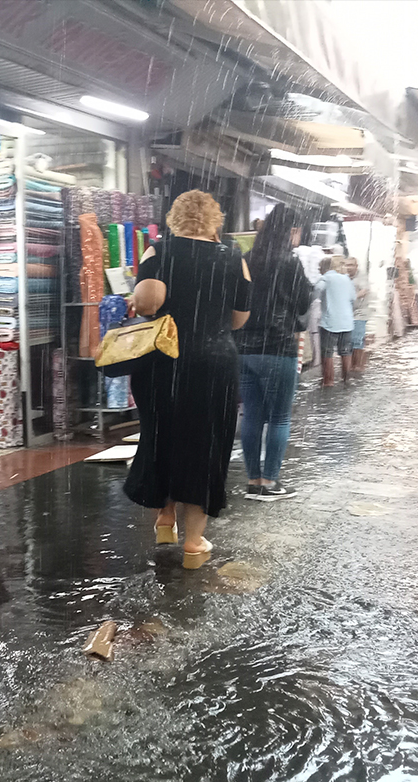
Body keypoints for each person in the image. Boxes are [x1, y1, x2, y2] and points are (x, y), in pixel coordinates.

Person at [124, 190, 251, 569]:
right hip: (214, 363)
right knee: (206, 445)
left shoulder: (158, 252)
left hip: (164, 360)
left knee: (163, 433)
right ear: (214, 220)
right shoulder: (233, 258)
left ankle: (165, 517)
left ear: (174, 218)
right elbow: (239, 319)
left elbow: (148, 303)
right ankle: (194, 543)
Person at [235, 203, 310, 502]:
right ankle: (271, 482)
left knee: (252, 415)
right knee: (279, 418)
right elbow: (303, 305)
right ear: (292, 230)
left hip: (243, 348)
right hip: (278, 347)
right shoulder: (291, 263)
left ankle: (253, 481)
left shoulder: (247, 258)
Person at [315, 255, 357, 386]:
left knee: (327, 352)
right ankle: (347, 378)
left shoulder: (325, 278)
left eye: (319, 267)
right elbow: (353, 297)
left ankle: (328, 380)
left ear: (324, 267)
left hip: (330, 322)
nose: (318, 269)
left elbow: (315, 291)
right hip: (347, 321)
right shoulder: (346, 279)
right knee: (345, 351)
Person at [348, 257, 370, 372]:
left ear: (356, 266)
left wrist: (352, 297)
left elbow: (363, 292)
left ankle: (358, 367)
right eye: (347, 265)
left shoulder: (361, 278)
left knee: (357, 340)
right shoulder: (345, 278)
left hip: (359, 314)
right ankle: (352, 367)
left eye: (351, 265)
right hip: (348, 314)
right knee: (350, 343)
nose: (349, 267)